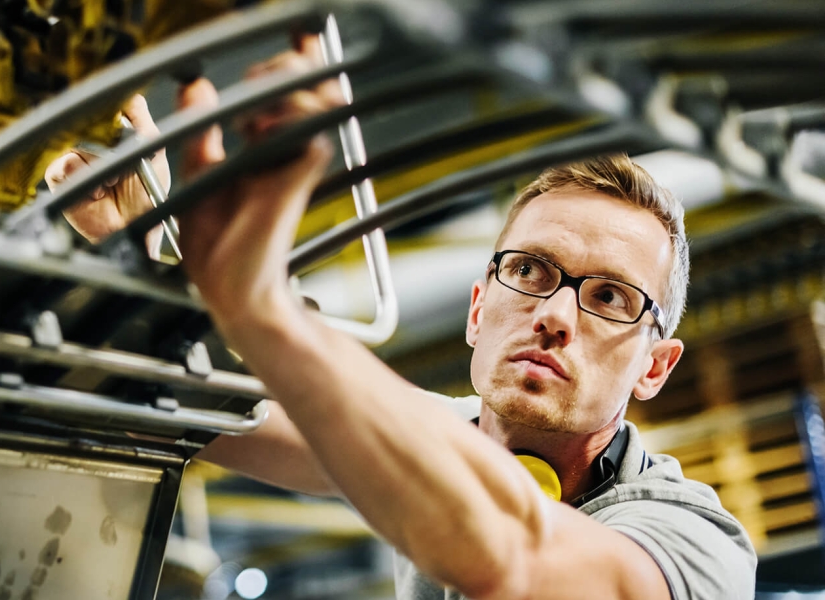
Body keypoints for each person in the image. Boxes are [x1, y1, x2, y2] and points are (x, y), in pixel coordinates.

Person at [45, 36, 757, 600]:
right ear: (480, 310)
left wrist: (262, 304)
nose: (556, 315)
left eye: (609, 298)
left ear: (655, 367)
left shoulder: (694, 542)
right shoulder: (442, 434)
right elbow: (205, 401)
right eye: (531, 272)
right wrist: (141, 246)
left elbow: (512, 564)